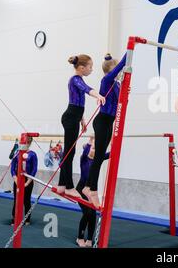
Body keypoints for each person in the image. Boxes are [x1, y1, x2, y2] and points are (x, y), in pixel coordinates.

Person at [57, 55, 105, 198]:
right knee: (69, 153)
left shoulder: (78, 79)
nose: (91, 69)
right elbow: (86, 89)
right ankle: (69, 187)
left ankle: (61, 185)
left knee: (68, 152)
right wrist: (98, 95)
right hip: (70, 117)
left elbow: (78, 102)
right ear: (81, 67)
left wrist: (82, 120)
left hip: (74, 117)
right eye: (90, 67)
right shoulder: (75, 79)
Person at [83, 53, 126, 208]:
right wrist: (131, 51)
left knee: (100, 157)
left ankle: (89, 186)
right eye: (116, 69)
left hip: (109, 122)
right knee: (99, 155)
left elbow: (121, 101)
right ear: (111, 69)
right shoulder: (106, 80)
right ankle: (91, 188)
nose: (119, 71)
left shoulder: (117, 84)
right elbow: (121, 66)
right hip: (102, 121)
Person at [75, 136, 109, 247]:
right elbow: (86, 151)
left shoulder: (97, 160)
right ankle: (80, 238)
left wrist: (115, 141)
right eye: (93, 148)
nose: (94, 150)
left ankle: (89, 239)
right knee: (87, 212)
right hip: (81, 189)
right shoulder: (84, 158)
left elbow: (110, 154)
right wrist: (90, 142)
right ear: (88, 148)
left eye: (96, 149)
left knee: (93, 214)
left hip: (91, 191)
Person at [10, 137, 37, 226]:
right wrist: (16, 180)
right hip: (18, 179)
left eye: (27, 143)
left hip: (28, 179)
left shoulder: (32, 154)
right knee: (16, 200)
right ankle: (15, 219)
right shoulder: (17, 153)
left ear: (29, 143)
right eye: (24, 143)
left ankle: (27, 219)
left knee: (26, 200)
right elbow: (13, 168)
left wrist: (27, 183)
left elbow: (34, 170)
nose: (25, 145)